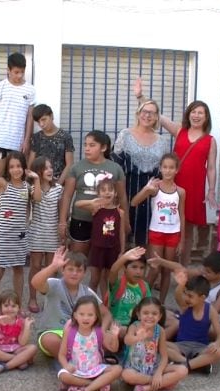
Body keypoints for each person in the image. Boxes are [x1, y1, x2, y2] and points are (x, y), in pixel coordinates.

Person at [135, 79, 218, 265]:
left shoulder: (210, 140)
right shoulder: (179, 130)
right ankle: (158, 268)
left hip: (194, 189)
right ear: (189, 115)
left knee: (186, 232)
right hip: (172, 183)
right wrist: (141, 97)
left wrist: (211, 190)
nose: (196, 116)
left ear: (206, 117)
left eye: (201, 113)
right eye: (194, 112)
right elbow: (156, 115)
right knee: (162, 226)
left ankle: (182, 269)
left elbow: (211, 168)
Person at [0, 149, 40, 313]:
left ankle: (18, 305)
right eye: (12, 166)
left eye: (19, 166)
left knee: (18, 269)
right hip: (3, 235)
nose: (16, 169)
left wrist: (36, 179)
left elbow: (37, 199)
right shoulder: (2, 183)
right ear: (8, 168)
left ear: (24, 167)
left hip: (20, 235)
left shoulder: (27, 187)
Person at [31, 246, 112, 359]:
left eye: (79, 270)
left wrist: (103, 331)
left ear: (84, 273)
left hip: (80, 335)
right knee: (49, 341)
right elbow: (35, 283)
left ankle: (77, 359)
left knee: (110, 338)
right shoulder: (54, 284)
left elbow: (106, 314)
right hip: (54, 332)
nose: (74, 273)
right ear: (62, 270)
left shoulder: (87, 292)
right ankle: (80, 359)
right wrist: (53, 266)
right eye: (70, 269)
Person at [59, 130, 128, 256]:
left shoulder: (115, 168)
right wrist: (63, 221)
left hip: (107, 220)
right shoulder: (77, 167)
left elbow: (122, 196)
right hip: (81, 219)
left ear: (103, 147)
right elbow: (67, 196)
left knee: (102, 257)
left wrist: (126, 221)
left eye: (92, 145)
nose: (87, 149)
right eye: (85, 145)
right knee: (78, 258)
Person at [112, 99, 171, 246]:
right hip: (126, 191)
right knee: (121, 236)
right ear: (138, 114)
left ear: (157, 117)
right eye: (145, 111)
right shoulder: (125, 135)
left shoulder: (163, 141)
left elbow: (163, 171)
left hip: (152, 196)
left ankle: (141, 267)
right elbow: (116, 166)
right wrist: (116, 196)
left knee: (145, 240)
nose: (148, 115)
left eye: (152, 113)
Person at [129, 153, 185, 303]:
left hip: (173, 233)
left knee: (167, 270)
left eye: (171, 167)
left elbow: (182, 215)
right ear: (160, 168)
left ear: (176, 170)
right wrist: (146, 189)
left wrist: (182, 240)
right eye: (165, 167)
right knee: (154, 267)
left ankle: (161, 303)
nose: (167, 170)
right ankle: (141, 300)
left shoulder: (180, 191)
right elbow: (134, 202)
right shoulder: (155, 188)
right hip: (156, 232)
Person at [57, 296, 122, 391]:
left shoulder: (99, 330)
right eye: (82, 314)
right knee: (63, 375)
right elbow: (61, 354)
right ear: (75, 315)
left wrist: (114, 336)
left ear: (96, 316)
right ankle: (97, 385)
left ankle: (84, 390)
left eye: (90, 315)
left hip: (96, 370)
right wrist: (66, 365)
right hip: (76, 371)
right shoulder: (70, 331)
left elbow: (113, 349)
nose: (86, 318)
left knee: (118, 369)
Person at [121, 297, 188, 391]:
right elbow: (127, 340)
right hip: (134, 368)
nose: (150, 316)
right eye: (146, 313)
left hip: (153, 367)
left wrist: (158, 372)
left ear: (160, 316)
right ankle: (160, 383)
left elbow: (164, 356)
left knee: (183, 370)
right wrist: (137, 337)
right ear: (139, 315)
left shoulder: (160, 331)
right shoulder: (134, 326)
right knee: (126, 375)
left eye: (154, 314)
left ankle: (145, 388)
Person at [0, 52, 36, 178]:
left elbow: (30, 117)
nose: (20, 75)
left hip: (17, 140)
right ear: (8, 70)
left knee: (15, 176)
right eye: (16, 72)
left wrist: (26, 140)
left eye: (22, 72)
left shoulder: (30, 90)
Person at [162, 251, 220, 340]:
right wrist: (160, 261)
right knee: (161, 313)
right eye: (204, 269)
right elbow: (181, 270)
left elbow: (212, 313)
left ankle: (169, 336)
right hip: (191, 311)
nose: (204, 273)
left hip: (211, 322)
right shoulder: (203, 274)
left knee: (211, 331)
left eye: (208, 272)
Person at [75, 178, 126, 297]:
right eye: (103, 190)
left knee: (107, 279)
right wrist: (93, 201)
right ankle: (90, 300)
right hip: (97, 248)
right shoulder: (96, 208)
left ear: (115, 193)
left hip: (113, 249)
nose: (107, 193)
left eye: (110, 190)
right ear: (98, 193)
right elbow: (77, 204)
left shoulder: (120, 212)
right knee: (95, 279)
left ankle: (105, 303)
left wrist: (122, 251)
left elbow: (121, 233)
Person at [166, 275, 220, 374]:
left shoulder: (211, 310)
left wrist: (216, 344)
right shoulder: (185, 306)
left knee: (219, 352)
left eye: (190, 296)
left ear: (202, 298)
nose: (186, 298)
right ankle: (197, 364)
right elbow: (177, 294)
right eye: (185, 294)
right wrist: (182, 283)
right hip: (181, 346)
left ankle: (185, 365)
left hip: (200, 347)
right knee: (159, 344)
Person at [26, 156, 63, 313]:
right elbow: (38, 199)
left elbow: (61, 212)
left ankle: (50, 300)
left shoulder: (59, 189)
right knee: (35, 266)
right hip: (37, 232)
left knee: (51, 269)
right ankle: (32, 298)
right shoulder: (33, 188)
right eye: (45, 168)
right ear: (38, 171)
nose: (50, 170)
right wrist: (35, 180)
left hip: (52, 233)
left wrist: (63, 233)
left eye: (51, 167)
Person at [0, 290, 37, 374]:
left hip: (16, 349)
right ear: (1, 307)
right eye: (6, 306)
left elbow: (22, 342)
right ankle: (18, 360)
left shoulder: (20, 321)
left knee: (33, 348)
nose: (10, 309)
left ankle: (5, 366)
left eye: (13, 306)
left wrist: (27, 327)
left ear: (18, 308)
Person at [105, 247, 151, 335]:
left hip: (136, 326)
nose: (138, 271)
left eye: (142, 268)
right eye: (134, 267)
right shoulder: (117, 283)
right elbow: (113, 270)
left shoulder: (144, 286)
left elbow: (148, 308)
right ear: (124, 268)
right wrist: (124, 257)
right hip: (117, 326)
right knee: (123, 331)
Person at [29, 104, 74, 184]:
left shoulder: (65, 137)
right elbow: (31, 163)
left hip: (59, 181)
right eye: (38, 122)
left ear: (51, 116)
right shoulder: (36, 138)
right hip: (40, 183)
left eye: (44, 119)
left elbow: (69, 164)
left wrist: (58, 185)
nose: (41, 124)